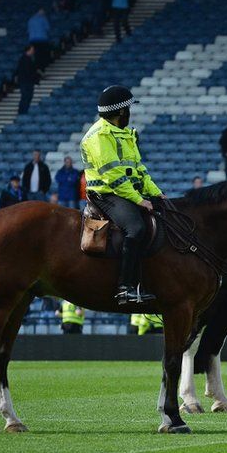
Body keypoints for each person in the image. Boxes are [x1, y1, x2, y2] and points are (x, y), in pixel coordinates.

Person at [81, 85, 165, 305]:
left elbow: (139, 170)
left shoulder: (126, 135)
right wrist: (139, 200)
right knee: (136, 228)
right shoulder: (98, 137)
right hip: (107, 194)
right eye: (128, 109)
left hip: (127, 190)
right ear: (119, 112)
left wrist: (157, 194)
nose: (130, 113)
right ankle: (125, 288)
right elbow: (114, 177)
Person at [16, 45, 40, 115]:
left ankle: (23, 111)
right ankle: (22, 112)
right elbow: (28, 71)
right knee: (26, 96)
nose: (33, 51)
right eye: (32, 49)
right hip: (26, 82)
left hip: (27, 81)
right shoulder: (25, 59)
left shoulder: (27, 59)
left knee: (27, 97)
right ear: (28, 50)